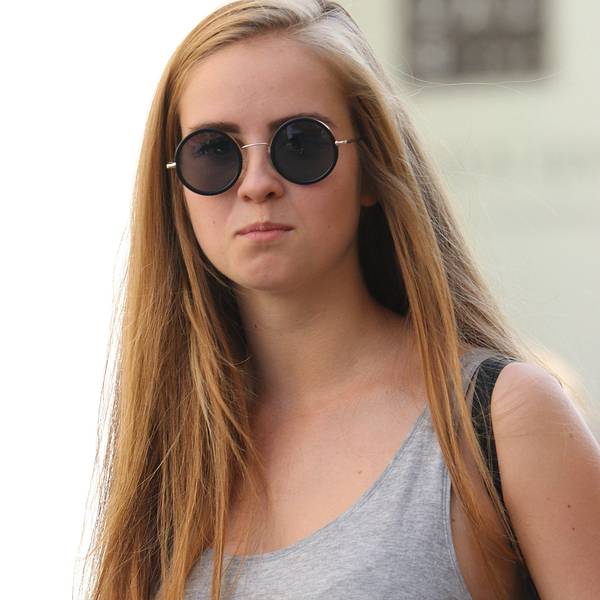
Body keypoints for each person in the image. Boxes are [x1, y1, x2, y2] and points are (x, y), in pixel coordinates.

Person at [81, 1, 600, 599]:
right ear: (175, 189)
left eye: (300, 143)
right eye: (214, 152)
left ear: (372, 170)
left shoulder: (499, 420)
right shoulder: (165, 458)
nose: (257, 183)